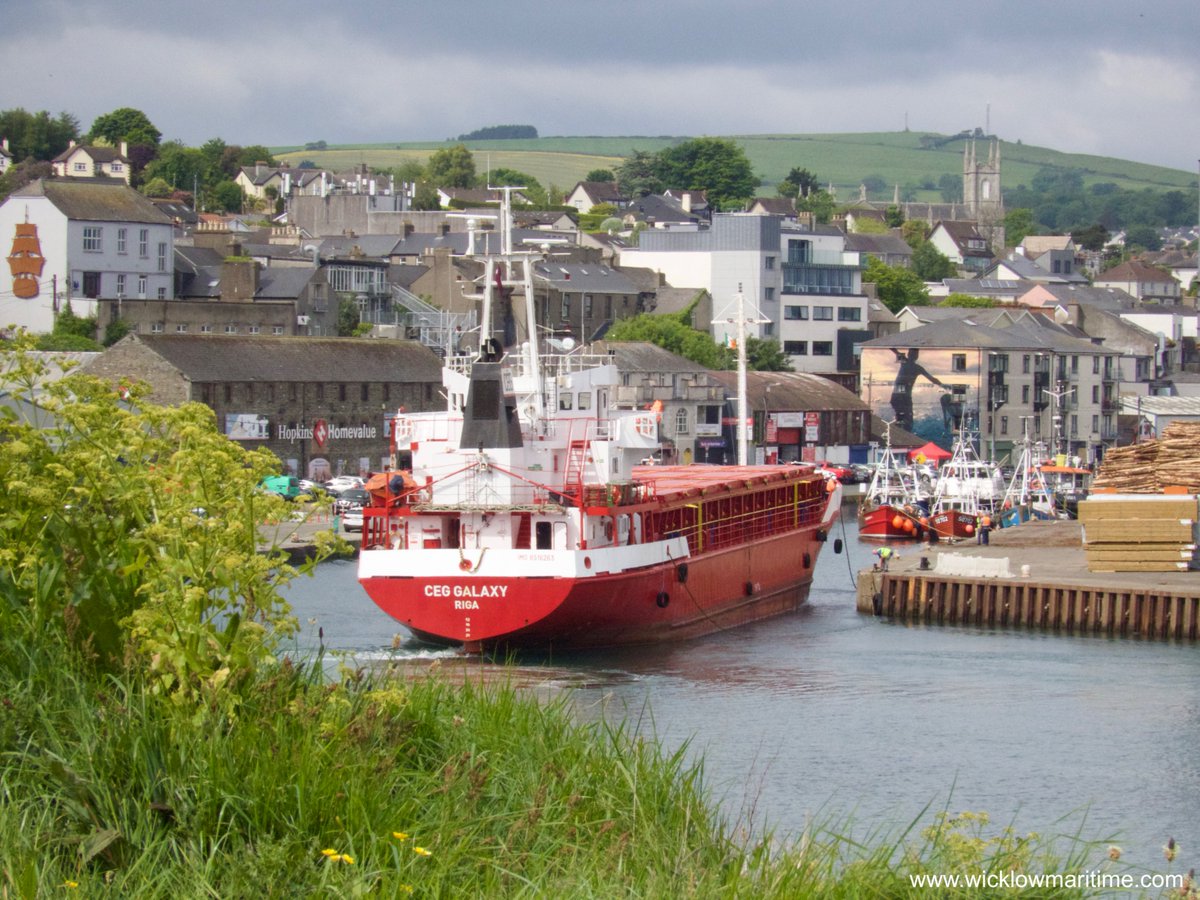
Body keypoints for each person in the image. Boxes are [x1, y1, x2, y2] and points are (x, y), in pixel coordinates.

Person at [889, 348, 945, 433]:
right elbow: (894, 350)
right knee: (904, 419)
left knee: (904, 419)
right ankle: (900, 433)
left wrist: (943, 385)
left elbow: (932, 379)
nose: (913, 356)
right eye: (913, 354)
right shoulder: (909, 363)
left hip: (902, 396)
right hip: (901, 396)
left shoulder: (911, 365)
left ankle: (901, 434)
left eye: (914, 354)